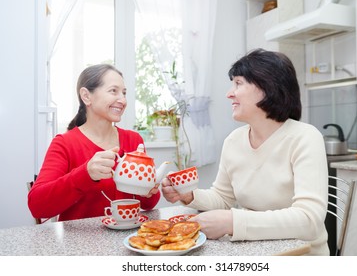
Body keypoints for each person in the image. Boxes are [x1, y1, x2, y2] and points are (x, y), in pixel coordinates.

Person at [161, 49, 329, 255]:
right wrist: (189, 195)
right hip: (254, 251)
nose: (229, 93)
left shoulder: (305, 137)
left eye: (238, 83)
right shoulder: (234, 141)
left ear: (267, 86)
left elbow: (309, 219)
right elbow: (222, 198)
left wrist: (233, 222)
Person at [28, 64, 160, 221]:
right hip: (79, 244)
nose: (123, 100)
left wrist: (149, 190)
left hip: (129, 240)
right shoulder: (64, 144)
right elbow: (37, 206)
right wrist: (86, 174)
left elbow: (148, 203)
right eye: (113, 91)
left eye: (124, 93)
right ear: (86, 96)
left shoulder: (134, 140)